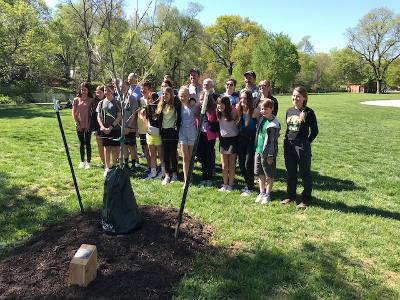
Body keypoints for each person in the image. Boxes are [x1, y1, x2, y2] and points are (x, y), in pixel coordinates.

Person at [281, 86, 318, 209]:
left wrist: (306, 142)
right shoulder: (289, 111)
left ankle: (305, 199)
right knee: (291, 173)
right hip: (289, 145)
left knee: (304, 173)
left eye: (298, 96)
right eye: (293, 95)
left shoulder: (308, 112)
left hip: (301, 146)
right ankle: (291, 196)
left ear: (304, 98)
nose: (295, 98)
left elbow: (315, 131)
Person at [254, 99, 280, 204]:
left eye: (266, 109)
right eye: (262, 109)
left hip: (267, 153)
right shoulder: (262, 119)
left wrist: (270, 155)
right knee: (260, 173)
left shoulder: (274, 124)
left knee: (269, 174)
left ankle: (268, 194)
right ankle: (262, 192)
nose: (263, 111)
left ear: (272, 109)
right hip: (259, 150)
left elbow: (273, 142)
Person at [236, 89, 259, 196]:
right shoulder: (239, 110)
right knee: (241, 164)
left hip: (250, 141)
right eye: (241, 98)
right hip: (240, 140)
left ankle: (250, 187)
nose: (243, 100)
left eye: (245, 98)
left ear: (249, 99)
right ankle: (248, 183)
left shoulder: (254, 111)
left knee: (247, 164)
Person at [157, 86, 181, 185]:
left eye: (166, 94)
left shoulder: (175, 104)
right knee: (165, 154)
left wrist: (177, 128)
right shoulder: (162, 104)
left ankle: (174, 174)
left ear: (171, 95)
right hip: (164, 132)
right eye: (163, 94)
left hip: (173, 132)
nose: (164, 95)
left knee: (172, 154)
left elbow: (179, 117)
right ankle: (167, 175)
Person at [97, 84, 122, 177]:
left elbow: (119, 116)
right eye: (104, 90)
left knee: (115, 148)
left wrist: (111, 127)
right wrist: (102, 127)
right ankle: (107, 167)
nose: (105, 92)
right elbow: (98, 116)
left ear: (112, 91)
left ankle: (115, 166)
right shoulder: (101, 103)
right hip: (104, 129)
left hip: (115, 129)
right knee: (106, 148)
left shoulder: (117, 103)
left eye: (107, 90)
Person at [217, 96, 239, 192]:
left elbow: (238, 120)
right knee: (224, 165)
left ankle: (230, 185)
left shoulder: (232, 112)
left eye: (222, 104)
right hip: (223, 140)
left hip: (233, 140)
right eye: (218, 104)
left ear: (226, 104)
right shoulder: (219, 113)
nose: (219, 106)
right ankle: (225, 184)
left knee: (231, 165)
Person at [144, 81, 165, 180]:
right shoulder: (147, 108)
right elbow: (147, 120)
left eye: (152, 99)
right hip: (150, 134)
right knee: (152, 154)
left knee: (161, 155)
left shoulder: (160, 110)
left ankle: (163, 173)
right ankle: (153, 172)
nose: (150, 100)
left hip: (158, 135)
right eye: (149, 99)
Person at [178, 86, 199, 185]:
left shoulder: (193, 105)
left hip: (192, 133)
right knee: (185, 157)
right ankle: (186, 180)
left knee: (191, 157)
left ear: (189, 96)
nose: (183, 98)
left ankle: (190, 177)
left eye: (185, 96)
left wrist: (193, 100)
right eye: (181, 96)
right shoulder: (178, 106)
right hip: (182, 133)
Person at [197, 90, 218, 186]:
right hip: (201, 135)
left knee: (209, 157)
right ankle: (204, 177)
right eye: (200, 99)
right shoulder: (198, 109)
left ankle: (209, 178)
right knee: (202, 157)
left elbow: (215, 122)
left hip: (210, 137)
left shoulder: (212, 110)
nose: (202, 101)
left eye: (203, 99)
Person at [72, 82, 93, 170]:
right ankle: (82, 161)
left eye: (85, 89)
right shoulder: (76, 99)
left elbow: (92, 114)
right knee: (81, 143)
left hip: (88, 124)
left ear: (88, 90)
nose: (83, 91)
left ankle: (88, 162)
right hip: (79, 125)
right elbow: (73, 112)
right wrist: (77, 123)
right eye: (82, 89)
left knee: (87, 143)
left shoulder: (91, 99)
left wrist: (89, 125)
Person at [120, 81, 139, 172]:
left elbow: (134, 114)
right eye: (120, 86)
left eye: (124, 86)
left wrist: (128, 127)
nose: (122, 88)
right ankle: (126, 163)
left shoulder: (132, 98)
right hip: (122, 128)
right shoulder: (120, 99)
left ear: (128, 87)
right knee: (124, 146)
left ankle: (134, 164)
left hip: (130, 128)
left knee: (131, 146)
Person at [90, 85, 105, 168]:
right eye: (97, 92)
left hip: (108, 127)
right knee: (100, 146)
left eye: (100, 92)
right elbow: (93, 117)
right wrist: (94, 129)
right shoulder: (94, 102)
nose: (98, 94)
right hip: (97, 127)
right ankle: (103, 162)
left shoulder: (108, 101)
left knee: (109, 146)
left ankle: (112, 161)